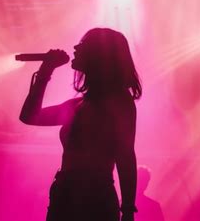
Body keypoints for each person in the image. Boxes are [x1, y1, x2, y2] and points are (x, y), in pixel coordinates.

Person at [19, 28, 141, 221]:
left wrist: (127, 211)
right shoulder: (78, 104)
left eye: (83, 45)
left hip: (95, 197)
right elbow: (29, 116)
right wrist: (45, 72)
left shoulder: (118, 101)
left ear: (99, 55)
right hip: (64, 192)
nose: (75, 47)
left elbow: (125, 156)